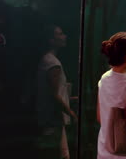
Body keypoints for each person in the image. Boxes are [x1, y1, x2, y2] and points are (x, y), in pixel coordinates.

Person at [36, 25, 77, 159]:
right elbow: (54, 95)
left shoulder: (48, 60)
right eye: (59, 34)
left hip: (51, 118)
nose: (64, 36)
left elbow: (54, 93)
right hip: (53, 119)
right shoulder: (53, 63)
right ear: (51, 40)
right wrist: (71, 114)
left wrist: (71, 99)